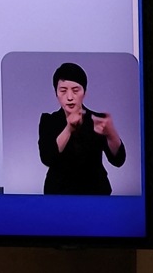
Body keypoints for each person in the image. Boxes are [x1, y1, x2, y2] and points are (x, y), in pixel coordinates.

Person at [37, 62, 124, 195]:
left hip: (96, 193)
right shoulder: (48, 120)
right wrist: (68, 129)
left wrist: (111, 134)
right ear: (56, 93)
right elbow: (47, 158)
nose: (70, 97)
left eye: (76, 90)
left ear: (85, 92)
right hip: (58, 193)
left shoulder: (97, 120)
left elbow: (118, 161)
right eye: (63, 91)